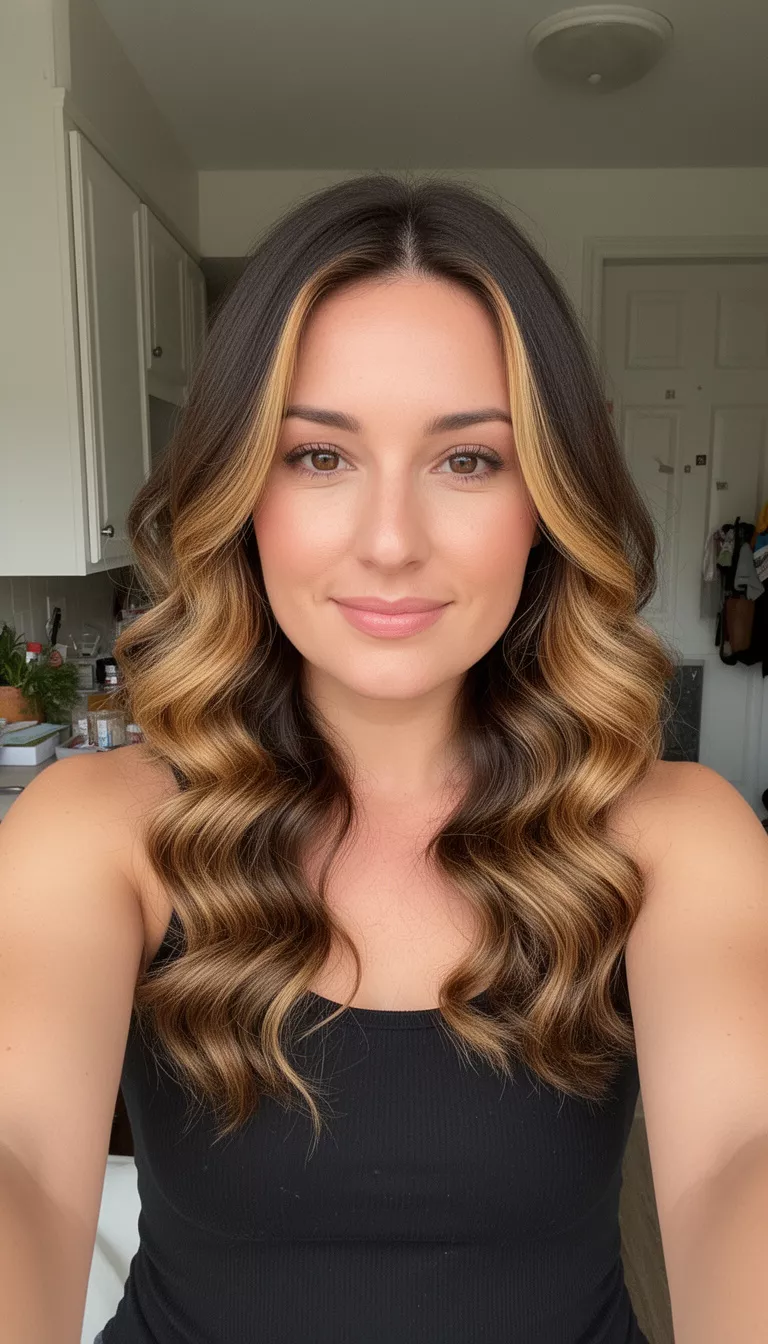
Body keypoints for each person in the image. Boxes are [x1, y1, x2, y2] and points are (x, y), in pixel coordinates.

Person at [1, 174, 766, 1344]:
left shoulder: (674, 834)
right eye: (319, 458)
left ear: (548, 501)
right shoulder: (96, 829)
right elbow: (24, 1165)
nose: (393, 542)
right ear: (243, 491)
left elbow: (734, 1164)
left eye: (468, 461)